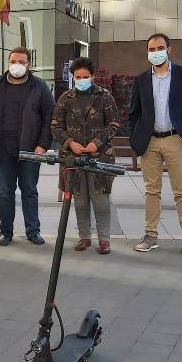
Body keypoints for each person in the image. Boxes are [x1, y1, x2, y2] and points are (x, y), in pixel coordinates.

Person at [0, 46, 54, 246]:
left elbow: (50, 118)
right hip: (1, 149)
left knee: (29, 190)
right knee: (5, 192)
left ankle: (32, 231)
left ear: (29, 64)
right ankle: (5, 232)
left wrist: (43, 145)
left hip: (30, 150)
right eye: (12, 62)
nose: (16, 66)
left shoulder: (39, 87)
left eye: (21, 62)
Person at [129, 33, 182, 254]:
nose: (155, 53)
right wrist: (136, 138)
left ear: (169, 49)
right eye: (151, 49)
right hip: (150, 142)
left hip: (176, 139)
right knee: (151, 191)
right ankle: (150, 235)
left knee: (181, 192)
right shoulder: (141, 80)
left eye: (160, 48)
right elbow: (134, 113)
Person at [51, 57, 119, 254]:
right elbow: (55, 126)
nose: (82, 79)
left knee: (100, 199)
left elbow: (114, 124)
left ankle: (104, 239)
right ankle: (84, 237)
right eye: (78, 77)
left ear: (93, 76)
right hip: (73, 158)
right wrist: (69, 142)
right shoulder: (65, 98)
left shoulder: (104, 96)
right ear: (73, 77)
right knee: (79, 199)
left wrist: (96, 142)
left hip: (99, 157)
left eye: (85, 77)